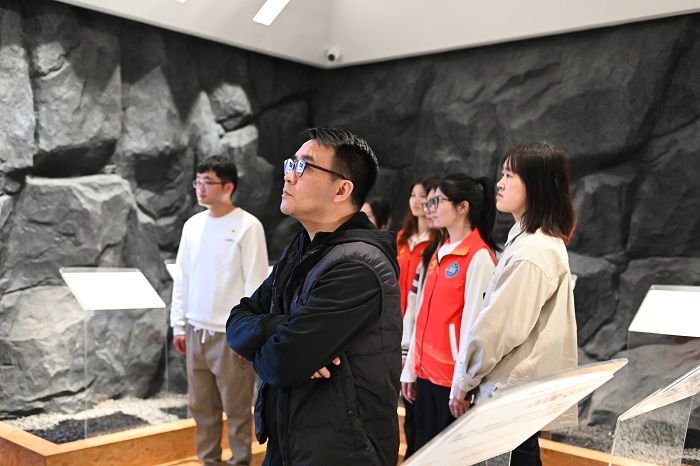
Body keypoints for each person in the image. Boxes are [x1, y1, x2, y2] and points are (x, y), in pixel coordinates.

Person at [226, 128, 402, 466]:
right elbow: (237, 320)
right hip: (293, 441)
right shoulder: (303, 248)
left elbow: (282, 362)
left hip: (341, 451)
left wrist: (273, 343)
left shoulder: (358, 265)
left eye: (303, 166)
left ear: (342, 189)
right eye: (290, 163)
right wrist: (278, 328)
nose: (289, 175)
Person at [452, 142, 578, 466]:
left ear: (535, 185)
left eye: (509, 175)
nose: (500, 183)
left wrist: (464, 381)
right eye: (502, 174)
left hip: (508, 402)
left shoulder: (533, 251)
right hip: (514, 401)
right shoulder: (531, 241)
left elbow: (499, 329)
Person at [170, 155, 269, 466]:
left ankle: (240, 461)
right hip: (196, 330)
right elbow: (182, 277)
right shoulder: (193, 225)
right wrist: (179, 325)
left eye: (208, 182)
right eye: (198, 181)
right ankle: (208, 460)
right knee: (202, 408)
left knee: (237, 411)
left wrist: (249, 337)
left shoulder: (248, 226)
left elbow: (255, 286)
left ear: (228, 187)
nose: (200, 188)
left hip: (230, 335)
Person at [401, 173, 498, 449]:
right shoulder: (440, 250)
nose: (431, 208)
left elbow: (474, 327)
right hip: (425, 374)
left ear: (462, 207)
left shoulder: (479, 257)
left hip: (450, 382)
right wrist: (410, 370)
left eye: (439, 201)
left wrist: (462, 385)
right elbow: (421, 316)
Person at [395, 178, 433, 458]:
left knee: (417, 406)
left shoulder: (436, 242)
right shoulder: (401, 238)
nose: (417, 201)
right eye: (413, 195)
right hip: (396, 324)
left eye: (424, 196)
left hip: (420, 329)